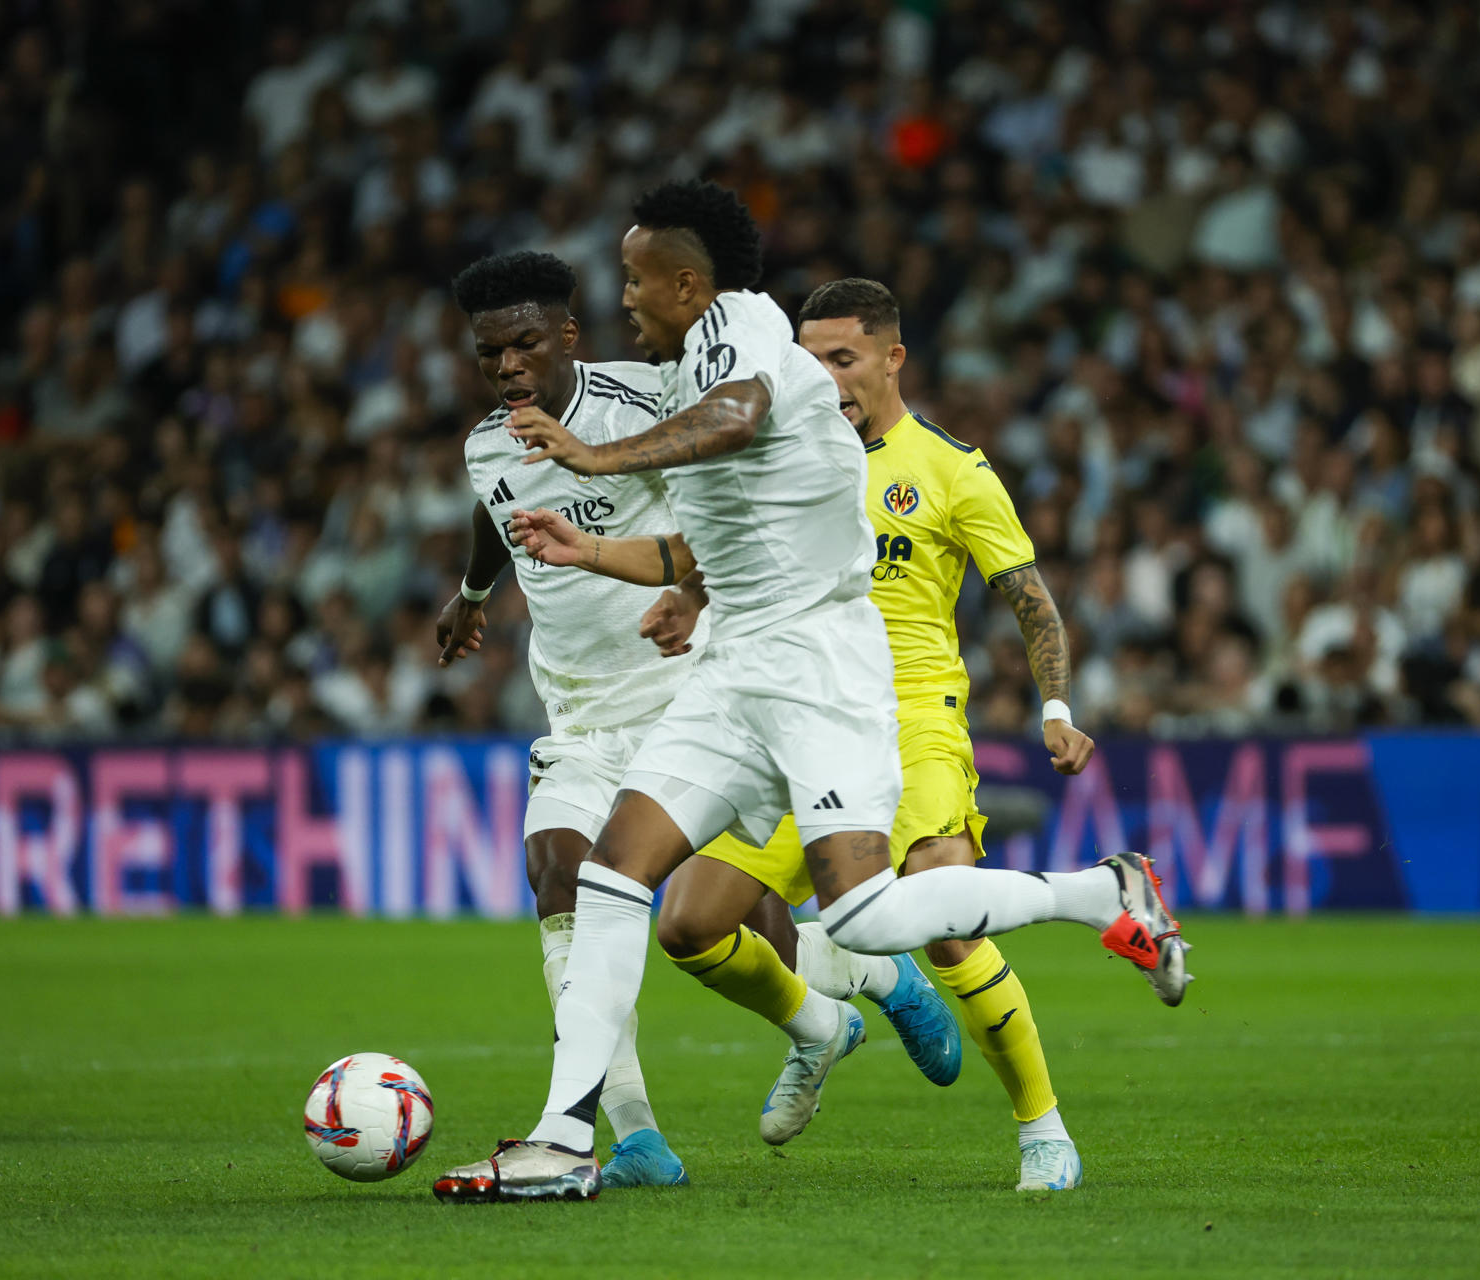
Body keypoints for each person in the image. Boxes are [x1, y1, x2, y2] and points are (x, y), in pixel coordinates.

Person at [436, 180, 1189, 1203]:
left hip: (819, 666)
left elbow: (738, 420)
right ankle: (566, 1138)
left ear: (690, 282)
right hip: (736, 659)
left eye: (636, 279)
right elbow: (720, 518)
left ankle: (1102, 892)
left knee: (870, 914)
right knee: (616, 875)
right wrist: (611, 556)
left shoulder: (741, 332)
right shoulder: (684, 364)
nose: (625, 298)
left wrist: (595, 453)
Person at [432, 249, 960, 1190]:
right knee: (561, 874)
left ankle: (865, 985)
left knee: (730, 925)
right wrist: (474, 592)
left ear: (565, 335)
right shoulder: (486, 444)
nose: (507, 367)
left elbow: (730, 503)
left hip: (691, 697)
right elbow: (496, 508)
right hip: (582, 720)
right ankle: (631, 1137)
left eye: (521, 345)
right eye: (487, 355)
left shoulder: (648, 401)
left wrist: (693, 591)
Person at [637, 277, 1100, 1191]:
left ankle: (1043, 1128)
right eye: (809, 361)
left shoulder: (952, 469)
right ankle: (822, 1025)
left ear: (893, 358)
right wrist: (685, 600)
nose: (825, 378)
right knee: (689, 924)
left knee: (943, 907)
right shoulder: (787, 455)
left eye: (843, 359)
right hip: (799, 710)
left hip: (912, 719)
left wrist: (1054, 709)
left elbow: (1030, 599)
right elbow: (726, 556)